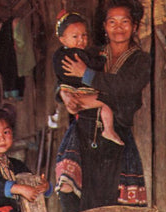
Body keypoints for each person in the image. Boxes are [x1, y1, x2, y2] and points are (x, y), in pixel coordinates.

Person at [55, 0, 151, 212]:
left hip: (116, 137)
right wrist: (63, 94)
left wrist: (87, 76)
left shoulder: (140, 61)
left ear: (134, 26)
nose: (118, 28)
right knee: (72, 194)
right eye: (112, 22)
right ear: (104, 26)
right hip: (82, 133)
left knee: (111, 205)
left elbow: (127, 90)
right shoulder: (90, 53)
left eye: (125, 22)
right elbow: (65, 78)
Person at [53, 10, 123, 146]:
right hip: (83, 97)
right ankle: (109, 130)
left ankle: (108, 130)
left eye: (84, 35)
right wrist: (102, 59)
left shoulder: (59, 55)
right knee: (107, 101)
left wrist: (64, 92)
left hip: (77, 98)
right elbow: (95, 65)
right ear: (62, 39)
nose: (81, 40)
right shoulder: (78, 54)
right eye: (75, 36)